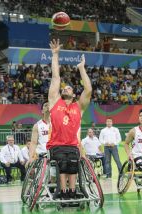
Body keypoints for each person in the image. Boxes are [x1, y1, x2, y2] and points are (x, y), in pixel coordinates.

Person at [46, 39, 92, 199]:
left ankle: (72, 191)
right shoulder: (54, 101)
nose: (65, 88)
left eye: (69, 88)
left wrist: (81, 69)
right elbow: (55, 78)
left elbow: (88, 89)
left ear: (73, 94)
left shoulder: (78, 107)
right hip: (56, 145)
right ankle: (63, 191)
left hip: (72, 145)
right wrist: (55, 54)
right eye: (64, 88)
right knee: (63, 164)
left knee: (73, 164)